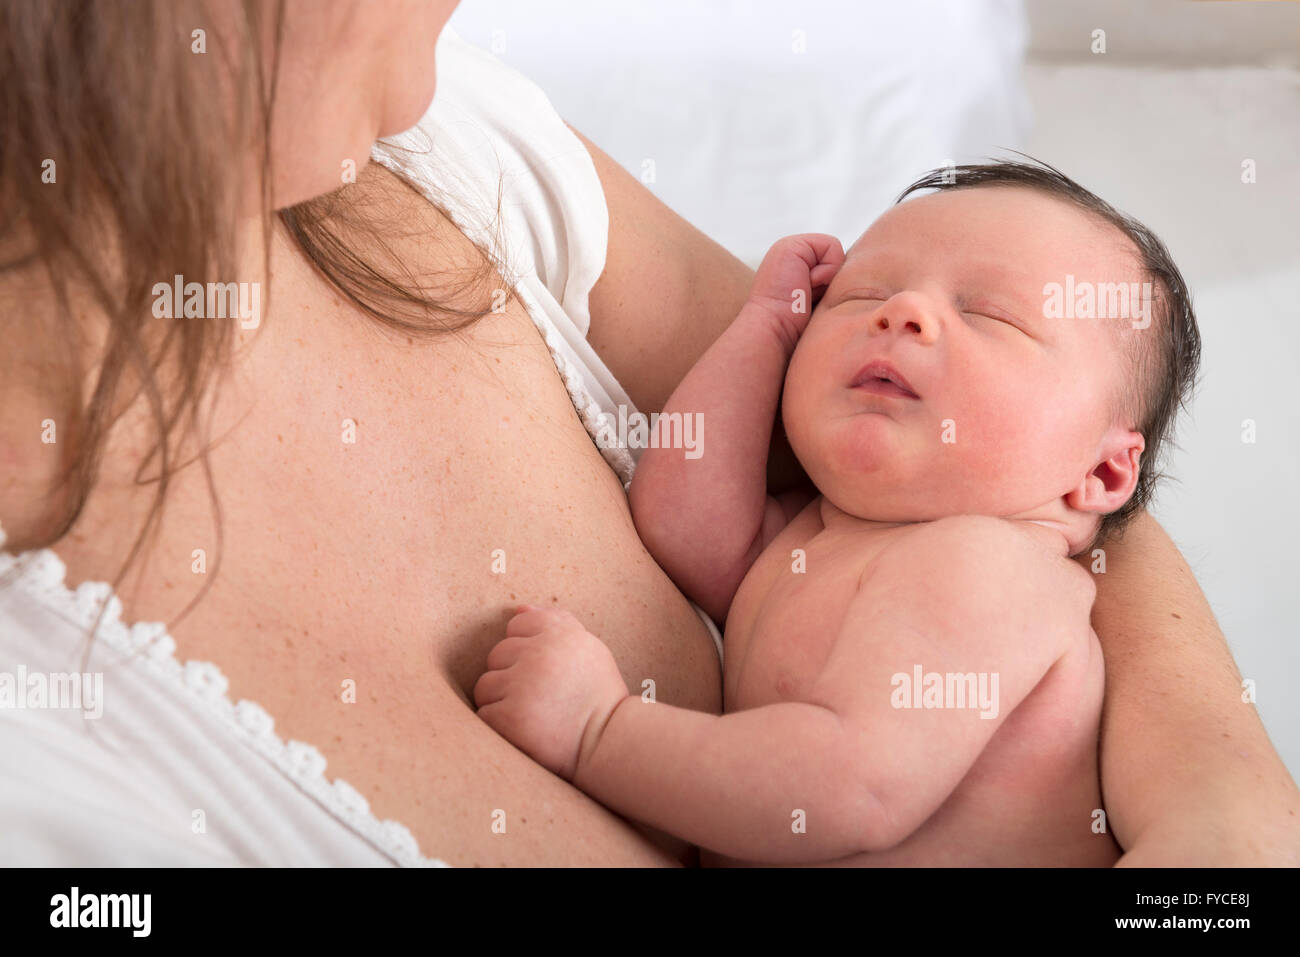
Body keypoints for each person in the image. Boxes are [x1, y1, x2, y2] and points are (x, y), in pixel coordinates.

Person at [0, 0, 1295, 867]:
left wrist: (1227, 808)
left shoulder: (983, 563)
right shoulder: (840, 523)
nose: (899, 319)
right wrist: (761, 334)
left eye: (992, 316)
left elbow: (849, 785)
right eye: (866, 295)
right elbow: (686, 519)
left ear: (1106, 472)